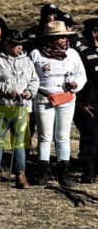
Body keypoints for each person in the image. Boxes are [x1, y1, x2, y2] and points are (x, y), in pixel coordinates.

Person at [29, 20, 86, 185]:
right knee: (45, 136)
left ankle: (63, 172)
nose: (61, 40)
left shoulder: (73, 54)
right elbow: (30, 76)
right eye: (58, 37)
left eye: (63, 36)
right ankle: (42, 172)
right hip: (43, 98)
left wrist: (76, 84)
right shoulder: (36, 54)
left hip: (66, 99)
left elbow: (81, 75)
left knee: (63, 136)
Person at [0, 31, 38, 189]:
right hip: (1, 106)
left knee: (19, 142)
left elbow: (34, 79)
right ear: (6, 44)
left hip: (20, 107)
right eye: (15, 43)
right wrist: (7, 89)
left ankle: (20, 174)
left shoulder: (27, 61)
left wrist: (29, 92)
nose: (19, 46)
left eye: (21, 43)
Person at [73, 18, 98, 183]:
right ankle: (88, 170)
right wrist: (80, 102)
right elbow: (79, 79)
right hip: (90, 96)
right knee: (90, 133)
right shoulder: (83, 53)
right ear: (94, 33)